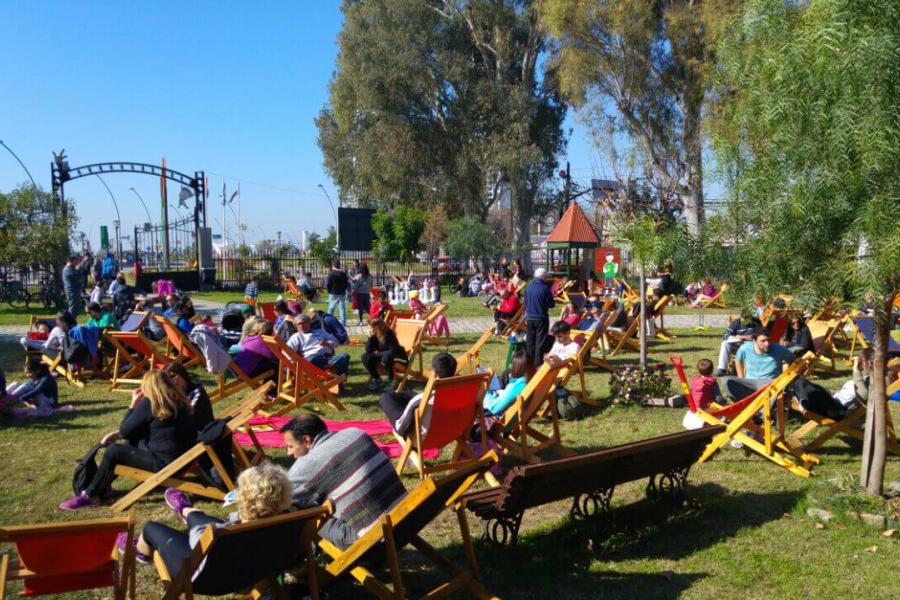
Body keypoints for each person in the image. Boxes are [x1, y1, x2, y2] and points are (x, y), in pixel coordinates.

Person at [60, 370, 196, 509]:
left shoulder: (151, 402)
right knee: (131, 443)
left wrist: (132, 406)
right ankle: (102, 487)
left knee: (114, 450)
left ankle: (90, 495)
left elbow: (125, 431)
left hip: (166, 465)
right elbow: (136, 432)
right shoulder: (180, 401)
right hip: (182, 462)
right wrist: (119, 434)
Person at [122, 464, 293, 568]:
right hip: (258, 568)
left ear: (245, 496)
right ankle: (185, 509)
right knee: (199, 518)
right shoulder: (288, 523)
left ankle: (141, 551)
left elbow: (196, 539)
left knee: (151, 528)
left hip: (208, 576)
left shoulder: (223, 532)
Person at [281, 414, 407, 549]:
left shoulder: (307, 464)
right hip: (407, 516)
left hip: (372, 540)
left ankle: (303, 555)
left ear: (306, 440)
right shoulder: (355, 433)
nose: (289, 453)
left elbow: (282, 499)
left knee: (304, 513)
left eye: (290, 446)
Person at [377, 352, 457, 438]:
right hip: (446, 432)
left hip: (421, 437)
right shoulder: (459, 396)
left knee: (384, 397)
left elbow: (401, 429)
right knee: (410, 393)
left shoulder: (422, 399)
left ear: (434, 373)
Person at [720, 327, 795, 401]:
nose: (767, 343)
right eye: (763, 341)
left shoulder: (779, 349)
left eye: (769, 340)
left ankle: (760, 408)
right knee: (725, 380)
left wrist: (786, 379)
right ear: (754, 341)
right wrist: (741, 378)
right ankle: (744, 402)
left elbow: (793, 361)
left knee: (771, 394)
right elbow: (738, 360)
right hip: (750, 383)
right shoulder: (745, 348)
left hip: (769, 384)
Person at [286, 314, 350, 378]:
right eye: (298, 324)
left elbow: (336, 341)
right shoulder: (296, 336)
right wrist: (294, 361)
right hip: (310, 360)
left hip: (327, 358)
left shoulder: (319, 332)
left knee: (344, 356)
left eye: (303, 323)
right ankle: (327, 376)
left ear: (309, 323)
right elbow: (286, 351)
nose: (301, 326)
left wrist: (327, 343)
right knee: (317, 357)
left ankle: (340, 379)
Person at [164, 361, 213, 432]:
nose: (171, 381)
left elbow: (189, 413)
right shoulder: (173, 397)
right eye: (167, 380)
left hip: (206, 432)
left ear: (182, 374)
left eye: (172, 376)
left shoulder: (197, 391)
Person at [362, 318, 407, 392]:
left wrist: (379, 354)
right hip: (383, 355)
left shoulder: (389, 334)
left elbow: (393, 350)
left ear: (377, 327)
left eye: (370, 327)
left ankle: (391, 381)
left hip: (396, 356)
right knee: (365, 357)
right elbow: (369, 350)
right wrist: (370, 337)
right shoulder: (374, 335)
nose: (368, 329)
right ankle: (377, 378)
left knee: (387, 357)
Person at [524, 268, 555, 367]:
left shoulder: (528, 287)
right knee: (540, 341)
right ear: (543, 277)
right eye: (546, 276)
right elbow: (551, 304)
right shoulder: (545, 288)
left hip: (530, 318)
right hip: (541, 318)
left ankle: (529, 361)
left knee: (530, 340)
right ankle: (538, 363)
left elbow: (525, 303)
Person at [714, 311, 760, 376]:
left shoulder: (756, 322)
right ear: (740, 317)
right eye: (743, 319)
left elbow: (761, 335)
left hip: (751, 344)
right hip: (737, 343)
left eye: (747, 319)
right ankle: (722, 369)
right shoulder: (736, 322)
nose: (744, 321)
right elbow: (725, 335)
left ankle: (752, 371)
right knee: (725, 343)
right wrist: (739, 338)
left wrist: (748, 338)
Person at [483, 351, 528, 416]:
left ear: (516, 368)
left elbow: (494, 409)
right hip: (504, 403)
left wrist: (486, 392)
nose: (510, 367)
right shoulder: (526, 381)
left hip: (494, 411)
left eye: (512, 364)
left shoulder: (517, 386)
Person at [324, 259, 349, 325]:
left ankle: (328, 321)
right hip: (341, 293)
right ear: (339, 265)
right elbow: (346, 283)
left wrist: (329, 291)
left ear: (333, 265)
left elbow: (328, 284)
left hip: (333, 292)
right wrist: (344, 289)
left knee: (331, 308)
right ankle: (343, 322)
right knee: (342, 308)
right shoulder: (343, 274)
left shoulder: (331, 273)